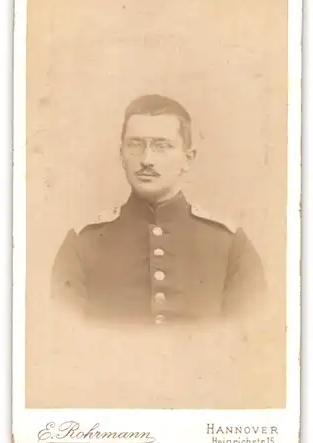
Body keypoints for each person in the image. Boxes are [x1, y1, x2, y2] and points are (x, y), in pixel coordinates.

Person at [51, 94, 267, 326]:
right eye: (135, 145)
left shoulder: (230, 244)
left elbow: (248, 341)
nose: (147, 159)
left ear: (188, 159)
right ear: (121, 154)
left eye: (162, 146)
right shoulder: (82, 242)